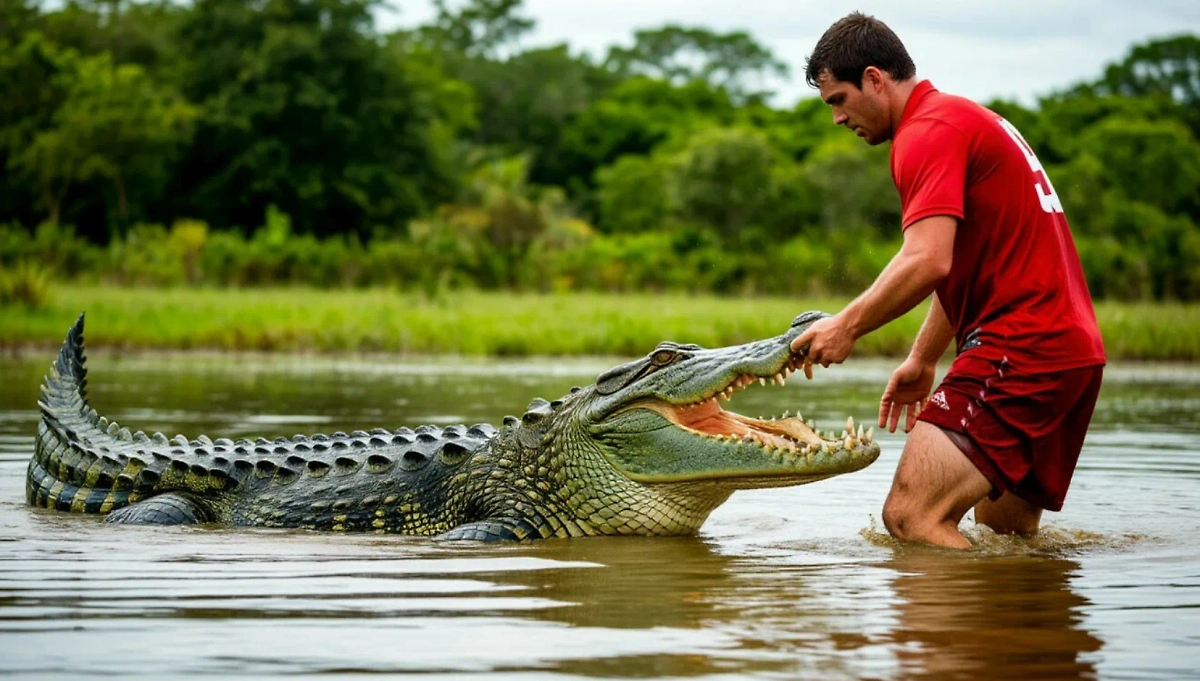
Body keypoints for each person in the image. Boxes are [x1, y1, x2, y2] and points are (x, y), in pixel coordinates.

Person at [791, 13, 1106, 549]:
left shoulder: (924, 134)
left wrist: (846, 326)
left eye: (838, 99)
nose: (838, 118)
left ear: (874, 78)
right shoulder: (962, 118)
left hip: (1021, 345)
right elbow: (959, 260)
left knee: (912, 517)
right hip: (1070, 352)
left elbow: (926, 259)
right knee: (1006, 538)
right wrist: (922, 358)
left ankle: (948, 634)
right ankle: (1026, 628)